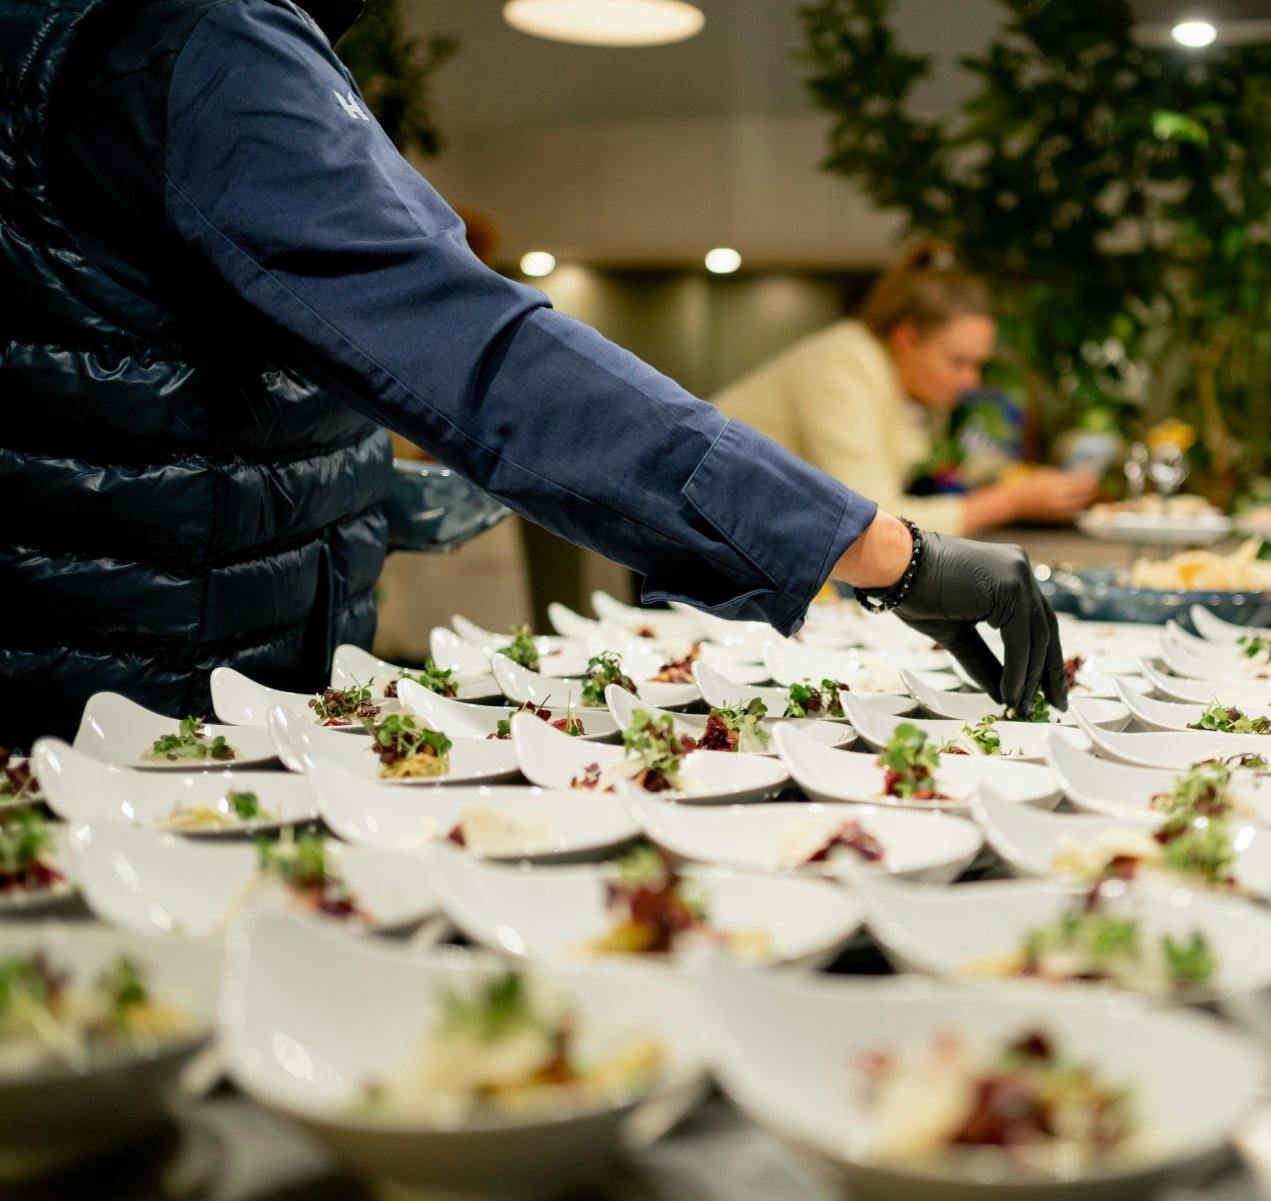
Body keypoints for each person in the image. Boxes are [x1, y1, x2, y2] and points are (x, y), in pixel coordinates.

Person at [0, 0, 1066, 745]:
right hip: (132, 718)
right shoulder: (197, 37)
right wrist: (887, 551)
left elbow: (136, 390)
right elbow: (488, 356)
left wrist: (393, 490)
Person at [715, 239, 1099, 535]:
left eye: (978, 365)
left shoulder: (900, 384)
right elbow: (871, 521)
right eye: (959, 362)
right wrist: (1010, 501)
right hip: (694, 544)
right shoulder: (844, 363)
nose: (972, 380)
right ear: (907, 340)